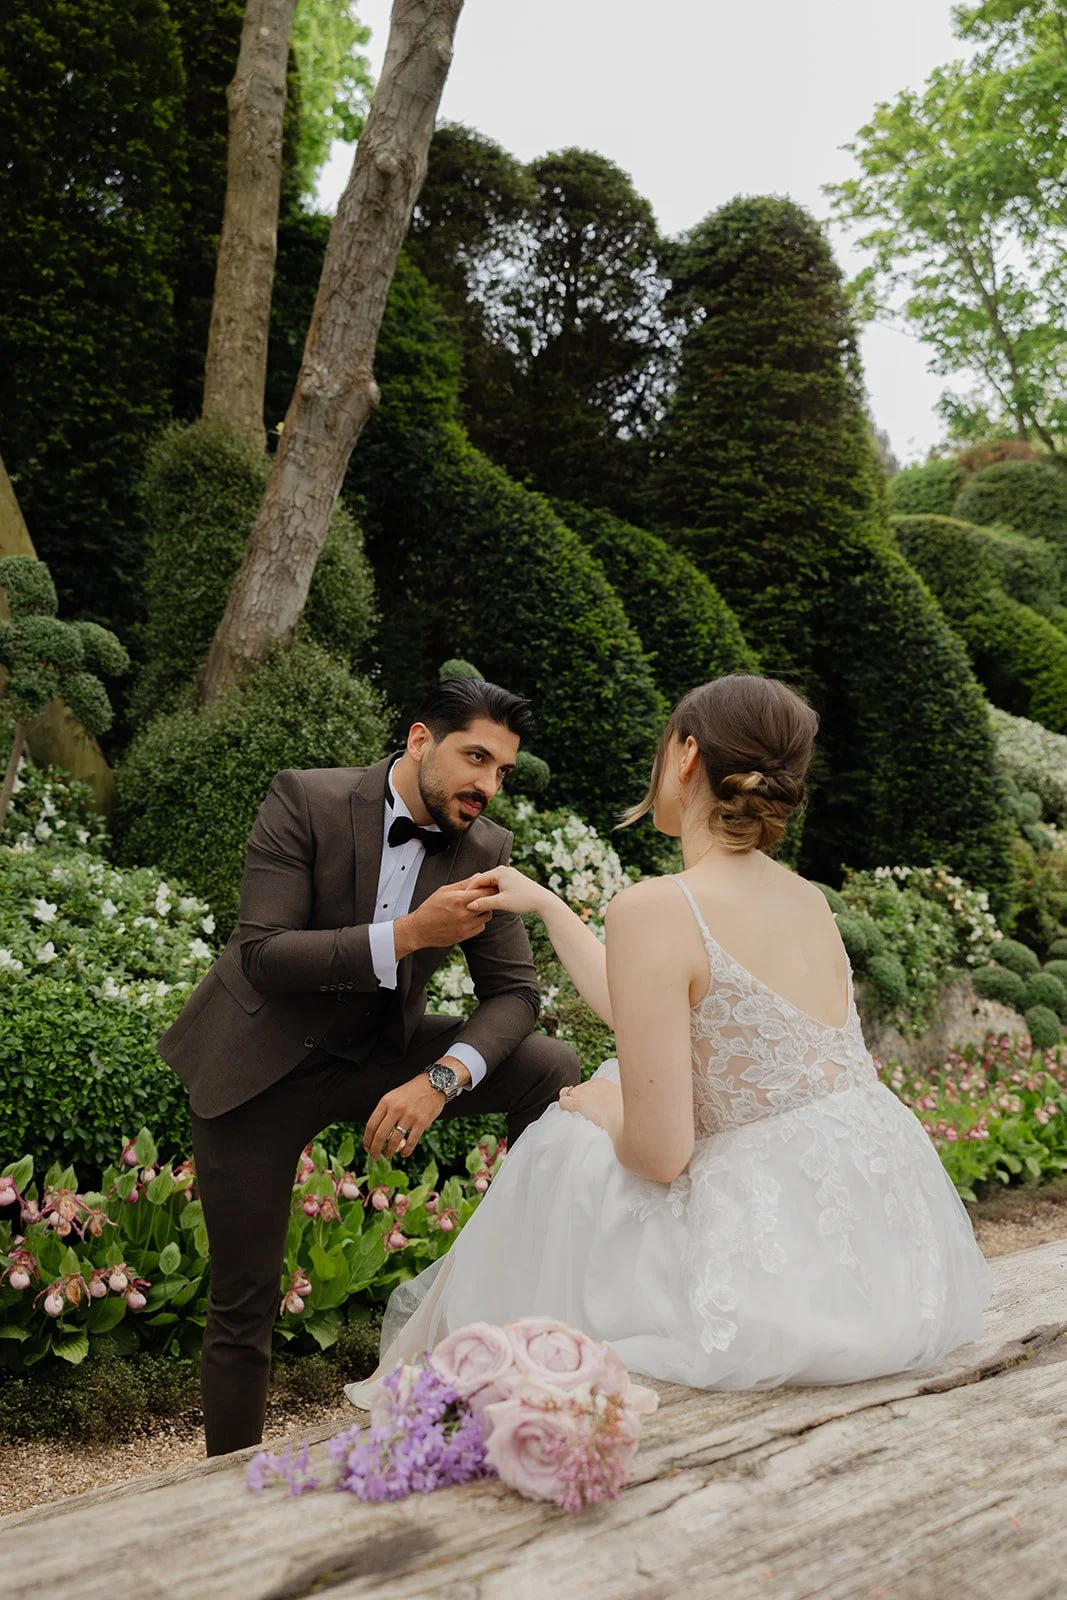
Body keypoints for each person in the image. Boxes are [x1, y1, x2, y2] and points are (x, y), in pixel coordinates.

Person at [371, 674, 992, 1389]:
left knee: (570, 1135)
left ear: (686, 753)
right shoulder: (806, 900)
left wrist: (603, 1112)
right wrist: (547, 906)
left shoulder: (657, 907)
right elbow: (656, 1011)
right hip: (884, 1237)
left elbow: (659, 1157)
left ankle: (479, 1380)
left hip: (772, 1260)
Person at [157, 678, 579, 1455]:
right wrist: (410, 934)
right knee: (244, 1298)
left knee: (550, 1064)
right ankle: (226, 1495)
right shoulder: (306, 800)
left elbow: (516, 994)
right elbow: (261, 953)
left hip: (377, 1057)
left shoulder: (483, 847)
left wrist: (440, 1078)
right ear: (420, 740)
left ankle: (514, 1274)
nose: (486, 786)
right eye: (474, 758)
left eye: (502, 772)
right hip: (260, 1067)